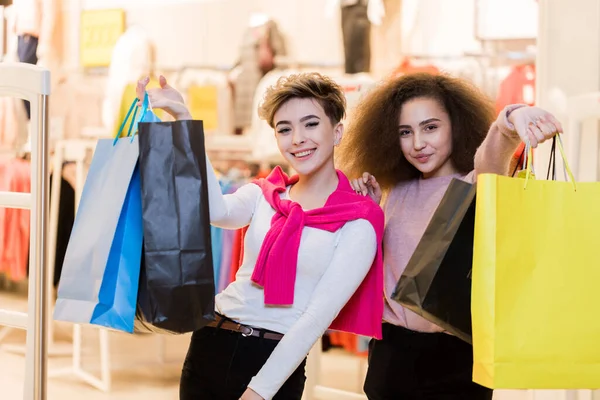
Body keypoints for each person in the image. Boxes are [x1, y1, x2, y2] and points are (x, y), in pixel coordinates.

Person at [136, 72, 385, 400]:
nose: (297, 139)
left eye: (310, 124)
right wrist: (185, 121)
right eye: (285, 129)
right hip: (209, 346)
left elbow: (315, 318)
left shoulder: (359, 219)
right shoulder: (265, 194)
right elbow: (215, 211)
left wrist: (260, 391)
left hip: (274, 364)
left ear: (337, 132)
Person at [340, 72, 563, 400]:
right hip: (392, 354)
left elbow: (493, 154)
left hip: (457, 357)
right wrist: (370, 215)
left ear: (456, 126)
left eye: (430, 127)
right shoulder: (393, 191)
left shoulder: (476, 183)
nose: (418, 143)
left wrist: (512, 118)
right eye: (405, 131)